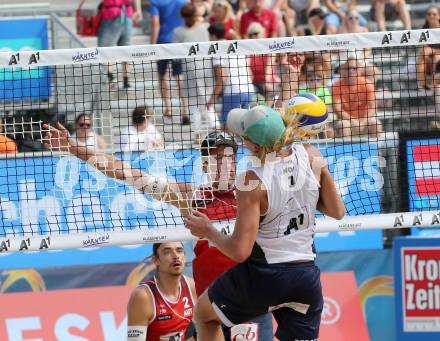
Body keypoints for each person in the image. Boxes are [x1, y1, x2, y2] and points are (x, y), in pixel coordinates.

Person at [43, 126, 274, 340]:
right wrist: (73, 147)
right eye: (216, 159)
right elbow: (126, 173)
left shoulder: (253, 195)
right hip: (211, 309)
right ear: (204, 165)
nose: (225, 165)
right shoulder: (191, 198)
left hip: (248, 305)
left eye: (229, 158)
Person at [185, 104, 345, 341]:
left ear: (254, 146)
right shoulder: (311, 155)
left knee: (204, 314)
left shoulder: (250, 182)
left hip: (266, 276)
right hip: (305, 278)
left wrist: (209, 230)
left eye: (245, 136)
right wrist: (299, 197)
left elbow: (239, 252)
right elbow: (337, 211)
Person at [127, 242, 197, 340]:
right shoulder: (143, 296)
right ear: (155, 260)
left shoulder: (191, 286)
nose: (176, 256)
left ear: (184, 256)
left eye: (179, 250)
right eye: (167, 252)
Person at [173, 3, 217, 142]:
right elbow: (176, 55)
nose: (195, 18)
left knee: (207, 102)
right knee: (193, 105)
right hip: (189, 74)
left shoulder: (206, 28)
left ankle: (216, 129)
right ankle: (197, 134)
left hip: (206, 72)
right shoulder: (178, 32)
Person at [207, 23, 255, 128]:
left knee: (226, 129)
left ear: (213, 36)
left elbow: (222, 78)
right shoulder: (237, 47)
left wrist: (211, 100)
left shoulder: (217, 49)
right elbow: (250, 74)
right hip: (249, 91)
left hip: (233, 92)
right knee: (247, 129)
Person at [150, 0, 189, 122]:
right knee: (180, 77)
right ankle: (185, 111)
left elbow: (155, 23)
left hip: (162, 43)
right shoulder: (184, 1)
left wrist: (152, 45)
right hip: (179, 42)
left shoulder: (155, 2)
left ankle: (168, 108)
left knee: (162, 76)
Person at [331, 58, 383, 138]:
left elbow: (373, 107)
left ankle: (374, 149)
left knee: (376, 124)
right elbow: (337, 109)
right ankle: (347, 150)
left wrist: (363, 121)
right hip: (347, 121)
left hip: (365, 120)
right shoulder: (336, 86)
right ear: (342, 71)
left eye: (354, 68)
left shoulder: (367, 83)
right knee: (343, 125)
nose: (351, 70)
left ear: (359, 70)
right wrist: (352, 120)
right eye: (348, 68)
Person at [98, 0, 143, 89]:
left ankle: (111, 78)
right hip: (127, 15)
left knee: (104, 51)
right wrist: (138, 11)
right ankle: (126, 82)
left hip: (111, 14)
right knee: (126, 51)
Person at [247, 22, 279, 106]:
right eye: (250, 35)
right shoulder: (249, 51)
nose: (253, 36)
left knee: (268, 93)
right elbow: (248, 68)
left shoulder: (269, 48)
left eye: (256, 33)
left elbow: (268, 68)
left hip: (269, 83)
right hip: (255, 84)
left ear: (263, 33)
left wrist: (267, 82)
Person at [416, 6, 440, 90]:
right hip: (428, 62)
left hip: (438, 61)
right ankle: (422, 85)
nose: (431, 16)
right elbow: (423, 50)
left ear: (439, 16)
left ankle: (433, 84)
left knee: (437, 57)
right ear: (426, 16)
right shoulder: (423, 30)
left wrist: (432, 51)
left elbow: (428, 50)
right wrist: (432, 51)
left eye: (434, 14)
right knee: (421, 58)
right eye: (429, 14)